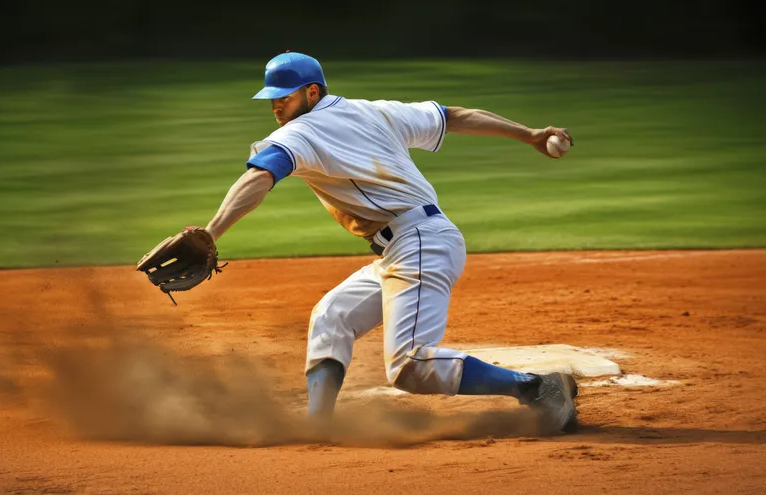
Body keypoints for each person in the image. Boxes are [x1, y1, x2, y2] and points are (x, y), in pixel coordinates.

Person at [204, 52, 578, 433]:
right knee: (331, 317)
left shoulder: (300, 133)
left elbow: (260, 176)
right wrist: (529, 134)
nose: (276, 104)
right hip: (412, 243)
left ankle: (538, 388)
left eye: (284, 95)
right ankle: (318, 424)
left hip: (418, 242)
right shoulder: (374, 111)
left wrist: (212, 231)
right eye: (272, 97)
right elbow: (454, 116)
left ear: (312, 92)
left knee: (409, 366)